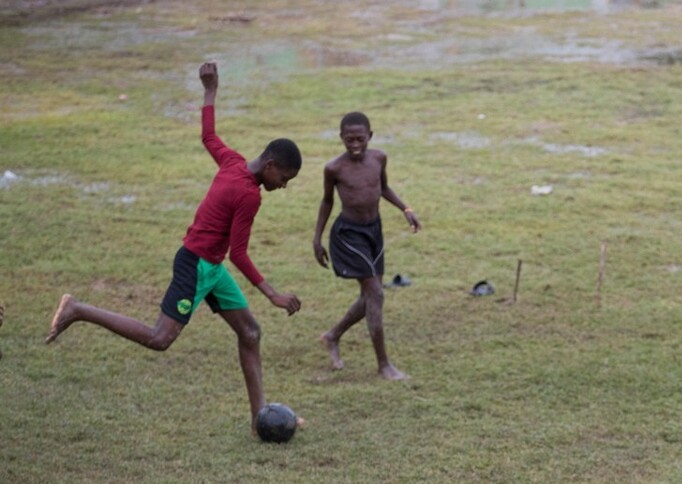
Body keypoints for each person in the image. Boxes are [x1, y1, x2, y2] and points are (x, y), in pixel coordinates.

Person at [45, 62, 302, 437]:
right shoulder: (249, 195)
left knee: (249, 333)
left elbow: (209, 137)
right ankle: (78, 309)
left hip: (211, 268)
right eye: (284, 179)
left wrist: (210, 91)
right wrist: (273, 294)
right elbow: (240, 254)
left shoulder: (233, 163)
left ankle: (259, 419)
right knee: (159, 339)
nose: (283, 186)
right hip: (196, 266)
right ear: (271, 165)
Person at [313, 111, 420, 380]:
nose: (355, 144)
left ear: (370, 136)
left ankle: (333, 335)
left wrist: (405, 208)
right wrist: (317, 237)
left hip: (374, 230)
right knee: (376, 294)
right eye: (349, 140)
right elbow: (327, 201)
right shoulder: (334, 168)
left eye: (360, 139)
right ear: (341, 138)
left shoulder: (379, 158)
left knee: (371, 296)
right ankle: (384, 365)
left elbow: (382, 187)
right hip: (349, 236)